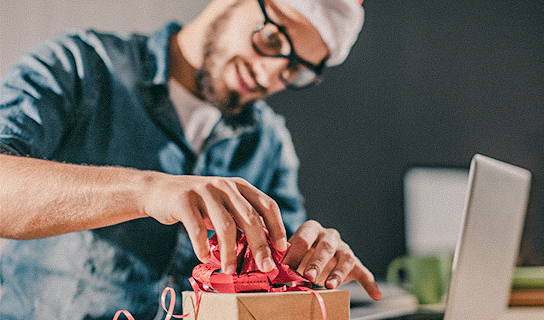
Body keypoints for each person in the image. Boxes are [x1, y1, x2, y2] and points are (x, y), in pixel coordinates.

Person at [0, 0, 381, 318]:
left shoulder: (268, 144)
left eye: (294, 69)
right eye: (271, 39)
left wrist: (310, 264)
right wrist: (147, 191)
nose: (269, 75)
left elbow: (279, 284)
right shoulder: (80, 67)